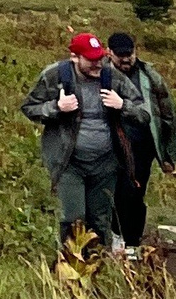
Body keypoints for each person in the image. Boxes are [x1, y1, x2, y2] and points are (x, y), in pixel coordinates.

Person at [21, 32, 145, 258]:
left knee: (100, 220)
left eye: (100, 58)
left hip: (106, 164)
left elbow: (144, 114)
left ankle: (97, 266)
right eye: (91, 59)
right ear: (75, 57)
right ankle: (70, 267)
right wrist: (56, 107)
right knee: (73, 219)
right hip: (69, 163)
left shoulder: (113, 78)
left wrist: (122, 105)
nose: (98, 64)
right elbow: (30, 107)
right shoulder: (55, 76)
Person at [107, 31, 176, 246]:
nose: (125, 58)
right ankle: (113, 239)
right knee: (111, 194)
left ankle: (132, 242)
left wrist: (169, 155)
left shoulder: (150, 76)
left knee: (134, 194)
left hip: (141, 148)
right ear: (109, 53)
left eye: (129, 53)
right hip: (109, 147)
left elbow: (168, 114)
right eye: (120, 54)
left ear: (135, 51)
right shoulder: (101, 74)